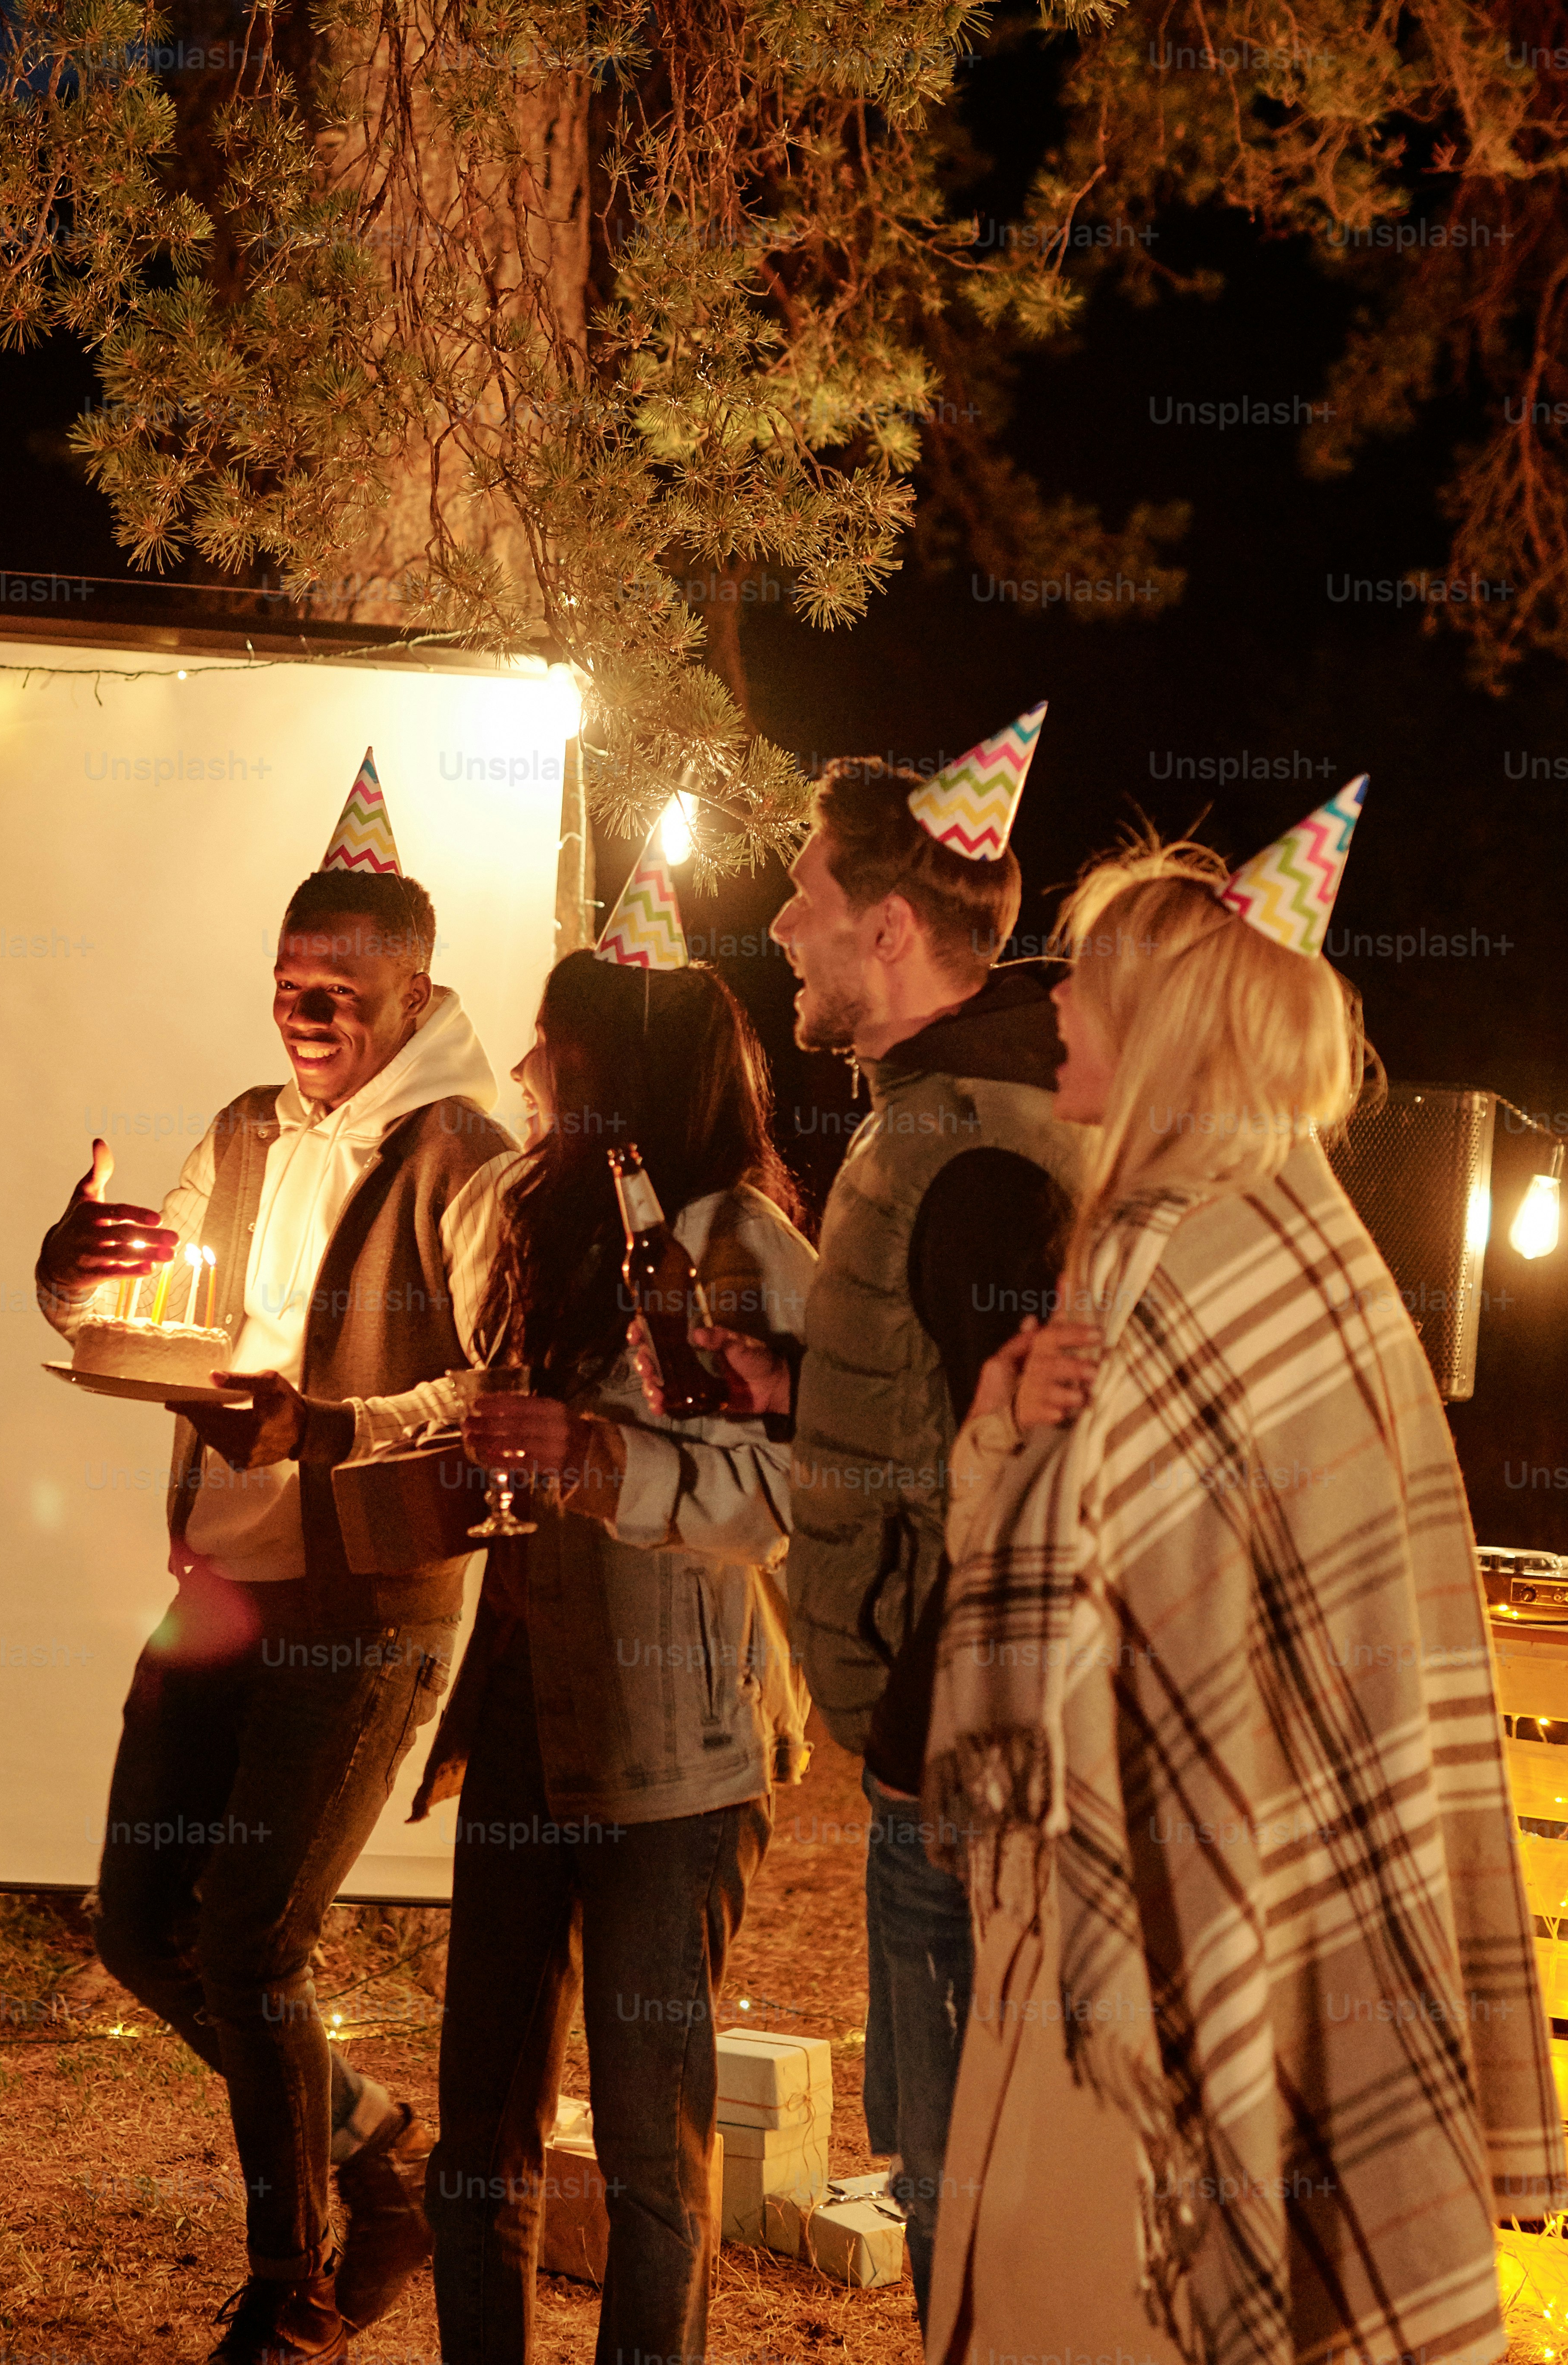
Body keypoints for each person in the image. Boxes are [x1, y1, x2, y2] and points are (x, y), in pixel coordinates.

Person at [917, 800, 1565, 2365]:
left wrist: (994, 1456)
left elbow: (1060, 1610)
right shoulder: (1296, 1224)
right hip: (1206, 1893)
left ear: (1155, 1026)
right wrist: (1007, 1430)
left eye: (1083, 983)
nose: (1055, 1003)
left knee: (1102, 2293)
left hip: (1132, 1930)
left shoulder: (1172, 1245)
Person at [33, 763, 510, 2365]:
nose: (306, 1011)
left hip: (368, 1603)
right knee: (138, 1925)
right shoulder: (244, 1128)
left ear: (416, 991)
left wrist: (321, 1428)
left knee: (250, 1942)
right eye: (291, 984)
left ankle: (294, 2285)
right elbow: (142, 1294)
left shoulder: (466, 1153)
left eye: (341, 990)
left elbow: (496, 1388)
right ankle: (379, 2142)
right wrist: (71, 1267)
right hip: (220, 1581)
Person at [700, 715, 1085, 2324]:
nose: (780, 926)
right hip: (936, 1739)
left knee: (957, 2178)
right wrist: (806, 1391)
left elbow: (1034, 1467)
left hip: (962, 1759)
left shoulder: (975, 1146)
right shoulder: (929, 1116)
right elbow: (950, 1400)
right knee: (940, 2161)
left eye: (802, 898)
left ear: (888, 926)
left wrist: (931, 1718)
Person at [407, 938, 816, 2365]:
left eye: (553, 1047)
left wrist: (594, 1457)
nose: (526, 1069)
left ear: (623, 1070)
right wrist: (342, 1438)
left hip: (678, 1758)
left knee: (651, 2148)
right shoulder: (521, 1219)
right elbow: (470, 1391)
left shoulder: (738, 1251)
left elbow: (782, 1497)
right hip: (525, 1716)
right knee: (480, 2134)